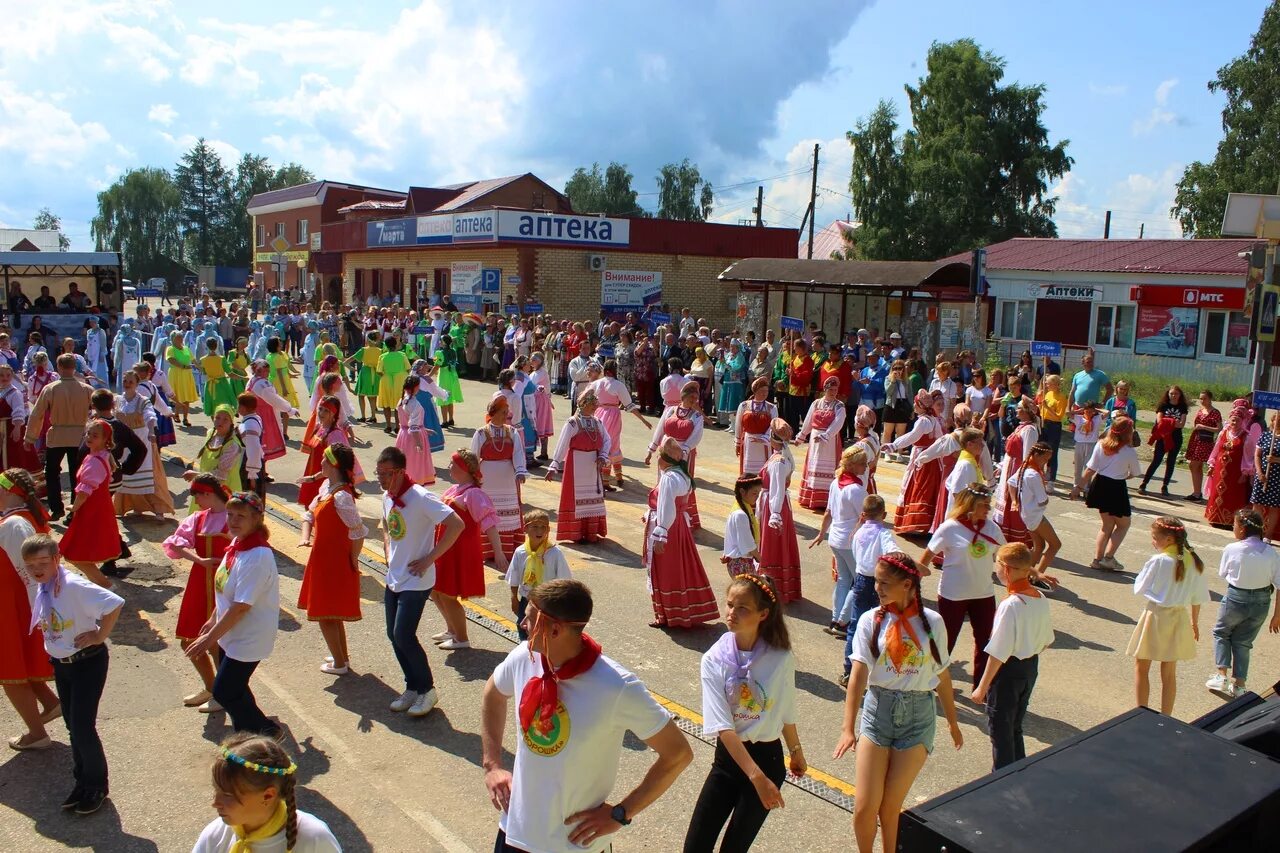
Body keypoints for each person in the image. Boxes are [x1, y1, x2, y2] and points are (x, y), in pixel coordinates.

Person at [480, 578, 694, 853]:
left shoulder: (617, 687)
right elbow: (493, 693)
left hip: (574, 845)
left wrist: (621, 813)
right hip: (516, 833)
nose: (522, 623)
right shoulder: (525, 657)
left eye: (530, 618)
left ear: (555, 629)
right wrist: (492, 765)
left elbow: (678, 754)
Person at [834, 552, 961, 853]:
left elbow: (942, 676)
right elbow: (858, 675)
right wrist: (847, 727)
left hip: (918, 716)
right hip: (878, 712)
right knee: (865, 808)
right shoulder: (870, 620)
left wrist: (954, 722)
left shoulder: (933, 622)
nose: (877, 588)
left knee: (889, 808)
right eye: (876, 581)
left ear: (907, 585)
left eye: (885, 583)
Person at [683, 573, 803, 852]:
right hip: (729, 761)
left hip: (768, 757)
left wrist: (796, 751)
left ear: (763, 614)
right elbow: (723, 726)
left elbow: (786, 708)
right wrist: (756, 778)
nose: (731, 613)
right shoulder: (714, 659)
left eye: (742, 608)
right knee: (695, 846)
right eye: (729, 605)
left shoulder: (780, 658)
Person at [24, 533, 124, 815]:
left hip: (86, 663)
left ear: (57, 559)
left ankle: (96, 786)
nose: (36, 569)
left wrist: (99, 634)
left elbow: (114, 603)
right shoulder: (45, 586)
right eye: (30, 565)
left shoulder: (74, 586)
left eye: (43, 562)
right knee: (72, 724)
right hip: (63, 664)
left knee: (82, 726)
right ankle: (82, 780)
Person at [185, 492, 284, 738]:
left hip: (249, 635)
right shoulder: (237, 546)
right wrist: (211, 620)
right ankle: (248, 734)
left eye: (241, 516)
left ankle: (267, 730)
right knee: (236, 688)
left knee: (224, 690)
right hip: (232, 632)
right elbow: (225, 591)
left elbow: (241, 606)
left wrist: (207, 641)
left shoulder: (257, 555)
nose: (233, 520)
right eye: (230, 514)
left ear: (256, 519)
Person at [375, 446, 463, 717]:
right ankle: (411, 686)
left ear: (401, 472)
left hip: (417, 578)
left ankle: (427, 690)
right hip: (395, 576)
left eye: (386, 474)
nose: (381, 479)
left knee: (404, 634)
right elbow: (386, 524)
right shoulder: (387, 497)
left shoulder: (422, 497)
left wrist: (429, 558)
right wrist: (389, 549)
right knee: (393, 635)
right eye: (378, 473)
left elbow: (456, 524)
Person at [970, 543, 1054, 770]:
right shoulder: (1040, 598)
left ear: (1005, 569)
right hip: (1029, 668)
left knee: (1000, 732)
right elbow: (1047, 641)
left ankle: (1003, 780)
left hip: (1007, 673)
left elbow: (998, 651)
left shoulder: (1010, 605)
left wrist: (982, 686)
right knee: (1015, 726)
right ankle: (1021, 772)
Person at [194, 733, 342, 852]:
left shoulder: (314, 839)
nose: (215, 803)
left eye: (227, 795)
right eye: (216, 790)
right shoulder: (215, 835)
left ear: (268, 796)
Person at [920, 483, 1005, 688]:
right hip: (953, 594)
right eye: (984, 505)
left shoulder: (991, 527)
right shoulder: (950, 528)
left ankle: (982, 688)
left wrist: (1033, 572)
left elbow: (1007, 553)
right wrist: (912, 584)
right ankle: (931, 683)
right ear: (971, 505)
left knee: (987, 642)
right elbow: (926, 557)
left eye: (989, 505)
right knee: (945, 642)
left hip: (983, 593)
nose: (989, 509)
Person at [295, 444, 366, 678]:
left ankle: (339, 663)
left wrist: (353, 559)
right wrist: (305, 538)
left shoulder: (342, 496)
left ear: (334, 464)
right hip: (323, 556)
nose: (320, 464)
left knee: (325, 614)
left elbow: (358, 530)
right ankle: (340, 656)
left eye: (324, 460)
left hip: (333, 560)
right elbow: (309, 515)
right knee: (332, 613)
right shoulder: (328, 488)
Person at [162, 475, 232, 711]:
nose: (196, 501)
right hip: (199, 581)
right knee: (189, 639)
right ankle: (212, 687)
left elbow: (248, 546)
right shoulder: (198, 518)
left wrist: (222, 561)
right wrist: (199, 560)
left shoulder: (234, 516)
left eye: (198, 495)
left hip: (226, 583)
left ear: (209, 493)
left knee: (218, 642)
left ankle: (223, 694)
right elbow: (174, 544)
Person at [0, 470, 58, 752]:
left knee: (10, 674)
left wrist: (40, 613)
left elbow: (30, 572)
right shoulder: (13, 520)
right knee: (19, 668)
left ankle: (37, 734)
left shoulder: (14, 525)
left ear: (9, 491)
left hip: (14, 609)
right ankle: (50, 704)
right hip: (12, 606)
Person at [1128, 516, 1208, 716]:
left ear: (1169, 539)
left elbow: (1139, 588)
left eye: (1155, 537)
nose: (1153, 541)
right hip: (1179, 617)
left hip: (1156, 615)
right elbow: (1198, 596)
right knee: (1169, 672)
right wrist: (1194, 622)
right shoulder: (1194, 561)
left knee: (1142, 665)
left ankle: (1141, 712)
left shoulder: (1159, 560)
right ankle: (1166, 716)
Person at [432, 450, 504, 651]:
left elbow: (489, 524)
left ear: (464, 469)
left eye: (453, 464)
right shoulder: (454, 490)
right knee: (436, 590)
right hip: (445, 547)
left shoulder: (474, 494)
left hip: (459, 549)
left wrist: (498, 552)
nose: (449, 467)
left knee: (447, 593)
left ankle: (461, 638)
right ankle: (452, 629)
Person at [1205, 509, 1280, 700]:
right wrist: (1277, 614)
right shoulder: (1271, 552)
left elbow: (1223, 572)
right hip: (1262, 602)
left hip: (1236, 596)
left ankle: (1221, 676)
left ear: (1242, 528)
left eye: (1235, 525)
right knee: (1243, 641)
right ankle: (1239, 685)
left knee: (1222, 632)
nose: (1233, 527)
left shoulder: (1232, 548)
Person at [644, 438, 719, 628]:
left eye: (658, 458)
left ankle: (669, 614)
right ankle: (683, 611)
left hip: (669, 529)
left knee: (666, 570)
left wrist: (661, 535)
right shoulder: (682, 475)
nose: (656, 462)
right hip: (679, 527)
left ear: (665, 460)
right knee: (680, 567)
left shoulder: (669, 478)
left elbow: (666, 507)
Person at [24, 353, 93, 521]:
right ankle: (74, 510)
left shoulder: (51, 388)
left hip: (57, 436)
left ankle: (57, 508)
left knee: (52, 473)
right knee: (77, 474)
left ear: (59, 367)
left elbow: (37, 414)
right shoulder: (86, 389)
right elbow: (97, 412)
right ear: (74, 367)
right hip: (79, 436)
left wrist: (30, 437)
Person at [810, 445, 870, 637]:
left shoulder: (836, 483)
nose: (865, 467)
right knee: (858, 581)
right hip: (849, 542)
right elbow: (867, 516)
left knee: (844, 580)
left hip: (835, 539)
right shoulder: (855, 489)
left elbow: (828, 512)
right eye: (863, 464)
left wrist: (821, 533)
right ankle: (843, 622)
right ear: (853, 465)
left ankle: (836, 618)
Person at [1072, 416, 1142, 571]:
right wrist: (1124, 474)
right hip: (1116, 487)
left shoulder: (1101, 444)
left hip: (1100, 484)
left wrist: (1078, 487)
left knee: (1107, 525)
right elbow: (1135, 473)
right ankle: (1108, 558)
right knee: (1123, 524)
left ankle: (1097, 560)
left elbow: (1090, 469)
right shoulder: (1129, 451)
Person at [58, 420, 121, 589]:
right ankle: (101, 586)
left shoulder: (94, 461)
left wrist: (74, 507)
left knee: (76, 553)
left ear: (105, 439)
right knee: (78, 553)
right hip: (97, 508)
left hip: (92, 511)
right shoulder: (99, 455)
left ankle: (105, 586)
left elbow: (84, 492)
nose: (89, 438)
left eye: (95, 435)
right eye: (88, 434)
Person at [545, 389, 611, 542]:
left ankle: (590, 532)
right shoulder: (573, 423)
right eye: (592, 405)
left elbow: (607, 440)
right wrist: (554, 466)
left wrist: (602, 455)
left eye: (596, 405)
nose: (595, 408)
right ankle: (575, 533)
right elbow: (562, 444)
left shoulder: (597, 422)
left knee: (592, 497)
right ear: (584, 405)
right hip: (576, 464)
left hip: (593, 465)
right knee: (576, 497)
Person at [471, 396, 528, 561]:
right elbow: (474, 456)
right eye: (503, 413)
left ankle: (508, 549)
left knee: (508, 513)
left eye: (507, 413)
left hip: (508, 478)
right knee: (488, 511)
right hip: (487, 478)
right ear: (493, 413)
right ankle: (488, 550)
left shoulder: (512, 432)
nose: (506, 416)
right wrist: (473, 477)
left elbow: (518, 452)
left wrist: (520, 471)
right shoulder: (481, 433)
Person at [114, 369, 176, 518]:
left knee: (150, 475)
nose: (127, 384)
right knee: (126, 474)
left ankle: (159, 509)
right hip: (124, 444)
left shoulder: (142, 400)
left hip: (142, 442)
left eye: (131, 382)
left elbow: (150, 415)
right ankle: (134, 505)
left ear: (136, 384)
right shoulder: (118, 400)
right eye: (125, 381)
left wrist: (151, 431)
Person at [646, 380, 705, 530]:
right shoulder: (670, 410)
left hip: (684, 453)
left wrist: (683, 451)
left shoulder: (697, 416)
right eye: (691, 398)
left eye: (695, 398)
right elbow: (660, 429)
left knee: (681, 481)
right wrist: (651, 450)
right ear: (683, 397)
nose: (693, 401)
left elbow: (696, 436)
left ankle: (682, 515)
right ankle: (660, 512)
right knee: (664, 480)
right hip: (665, 449)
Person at [505, 509, 571, 642]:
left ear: (548, 529)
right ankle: (526, 651)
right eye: (535, 527)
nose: (539, 531)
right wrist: (514, 598)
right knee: (523, 626)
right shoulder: (521, 552)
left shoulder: (554, 553)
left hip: (547, 601)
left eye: (543, 527)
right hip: (527, 598)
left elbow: (565, 580)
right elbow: (514, 576)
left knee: (545, 629)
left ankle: (543, 655)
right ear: (526, 529)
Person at [886, 390, 945, 534]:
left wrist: (893, 445)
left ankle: (915, 523)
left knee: (918, 487)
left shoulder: (924, 421)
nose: (913, 405)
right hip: (931, 459)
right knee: (927, 489)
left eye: (916, 403)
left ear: (921, 405)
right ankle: (924, 524)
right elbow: (940, 439)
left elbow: (912, 437)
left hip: (922, 457)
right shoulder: (933, 419)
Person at [591, 359, 651, 489]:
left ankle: (612, 477)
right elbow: (629, 406)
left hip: (597, 414)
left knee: (601, 444)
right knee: (613, 445)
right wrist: (643, 420)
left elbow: (584, 398)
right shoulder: (618, 385)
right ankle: (609, 480)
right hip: (612, 415)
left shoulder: (596, 384)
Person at [992, 396, 1040, 547]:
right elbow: (1009, 453)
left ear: (1026, 411)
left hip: (1016, 471)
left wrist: (1017, 477)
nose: (1016, 410)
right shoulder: (1021, 427)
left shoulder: (1030, 430)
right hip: (1009, 467)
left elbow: (1027, 457)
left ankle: (1015, 539)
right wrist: (1001, 467)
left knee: (1014, 503)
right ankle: (1004, 538)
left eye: (1019, 408)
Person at [795, 376, 847, 512]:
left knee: (828, 466)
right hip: (815, 437)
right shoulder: (816, 403)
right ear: (824, 389)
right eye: (830, 389)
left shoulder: (839, 406)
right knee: (814, 464)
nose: (833, 392)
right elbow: (808, 420)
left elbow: (839, 423)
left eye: (835, 389)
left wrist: (826, 435)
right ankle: (811, 497)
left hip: (830, 440)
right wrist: (801, 436)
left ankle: (826, 499)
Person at [1015, 442, 1061, 586]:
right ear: (1036, 455)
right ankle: (1036, 577)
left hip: (1026, 513)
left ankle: (1025, 574)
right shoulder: (1034, 475)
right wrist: (1045, 498)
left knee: (1039, 545)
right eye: (1045, 459)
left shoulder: (1024, 468)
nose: (1045, 462)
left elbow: (1011, 483)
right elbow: (1042, 500)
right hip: (1035, 515)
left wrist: (1016, 502)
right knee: (1055, 545)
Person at [1205, 400, 1255, 527]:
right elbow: (1216, 450)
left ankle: (1229, 521)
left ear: (1242, 421)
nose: (1234, 423)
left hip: (1235, 471)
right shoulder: (1223, 433)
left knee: (1232, 494)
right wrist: (1211, 464)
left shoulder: (1246, 436)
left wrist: (1245, 472)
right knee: (1217, 492)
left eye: (1237, 420)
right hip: (1220, 470)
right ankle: (1215, 517)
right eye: (1233, 420)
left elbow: (1248, 457)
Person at [1139, 385, 1189, 497]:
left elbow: (1181, 424)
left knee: (1171, 462)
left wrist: (1169, 422)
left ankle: (1165, 486)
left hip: (1176, 438)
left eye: (1176, 394)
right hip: (1163, 436)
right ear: (1168, 394)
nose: (1174, 396)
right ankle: (1144, 483)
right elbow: (1160, 421)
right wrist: (1172, 422)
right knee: (1156, 460)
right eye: (1171, 393)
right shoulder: (1163, 405)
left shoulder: (1182, 407)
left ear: (1180, 395)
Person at [394, 375, 436, 485]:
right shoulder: (413, 403)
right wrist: (419, 443)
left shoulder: (402, 400)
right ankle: (414, 485)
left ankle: (404, 484)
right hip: (413, 438)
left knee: (406, 463)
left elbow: (408, 422)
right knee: (415, 464)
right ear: (416, 386)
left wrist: (424, 429)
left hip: (403, 434)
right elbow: (413, 427)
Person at [0, 363, 39, 474]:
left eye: (8, 375)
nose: (5, 378)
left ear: (12, 376)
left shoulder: (14, 393)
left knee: (14, 457)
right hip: (2, 431)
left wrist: (17, 428)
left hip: (11, 429)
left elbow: (19, 412)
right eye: (2, 375)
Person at [735, 378, 777, 476]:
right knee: (748, 469)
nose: (764, 393)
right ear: (755, 391)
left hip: (764, 444)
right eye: (762, 391)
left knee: (764, 470)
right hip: (748, 442)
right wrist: (737, 443)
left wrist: (764, 438)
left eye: (766, 391)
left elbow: (774, 425)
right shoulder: (744, 406)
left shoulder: (771, 407)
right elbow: (738, 425)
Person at [1185, 390, 1222, 504]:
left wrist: (1204, 427)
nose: (1202, 401)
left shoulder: (1215, 412)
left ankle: (1198, 492)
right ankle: (1197, 492)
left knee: (1194, 464)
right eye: (1200, 398)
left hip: (1206, 441)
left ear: (1210, 399)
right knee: (1195, 466)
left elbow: (1219, 428)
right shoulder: (1201, 411)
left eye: (1204, 398)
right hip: (1196, 439)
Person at [1038, 374, 1068, 483]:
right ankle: (1041, 473)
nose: (1046, 384)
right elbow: (1042, 409)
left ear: (1055, 384)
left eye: (1048, 383)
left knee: (1052, 452)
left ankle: (1051, 477)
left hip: (1054, 426)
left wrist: (1047, 407)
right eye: (1046, 383)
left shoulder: (1061, 397)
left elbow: (1059, 416)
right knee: (1041, 450)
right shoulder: (1048, 394)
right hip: (1044, 423)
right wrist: (1041, 403)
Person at [346, 331, 382, 423]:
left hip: (365, 372)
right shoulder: (380, 351)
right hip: (376, 373)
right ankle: (373, 416)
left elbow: (349, 360)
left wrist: (350, 367)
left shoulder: (364, 350)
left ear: (368, 340)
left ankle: (363, 416)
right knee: (372, 396)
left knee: (361, 395)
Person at [166, 330, 199, 427]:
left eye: (181, 337)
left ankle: (185, 418)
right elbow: (171, 360)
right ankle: (176, 414)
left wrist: (200, 368)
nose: (180, 339)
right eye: (178, 337)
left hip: (186, 375)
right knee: (178, 396)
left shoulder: (186, 348)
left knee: (186, 397)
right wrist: (183, 366)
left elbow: (193, 360)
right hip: (176, 374)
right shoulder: (170, 348)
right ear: (173, 339)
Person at [1069, 400, 1103, 491]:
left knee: (1088, 466)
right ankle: (1076, 486)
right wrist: (1078, 411)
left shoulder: (1096, 418)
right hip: (1079, 443)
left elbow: (1107, 412)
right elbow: (1067, 414)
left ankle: (1086, 487)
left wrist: (1097, 410)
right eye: (1086, 411)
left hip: (1091, 444)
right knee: (1078, 466)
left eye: (1090, 411)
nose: (1088, 413)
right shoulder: (1079, 418)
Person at [200, 337, 237, 417]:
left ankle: (215, 424)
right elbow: (230, 373)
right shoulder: (221, 359)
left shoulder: (203, 360)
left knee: (212, 404)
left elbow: (204, 372)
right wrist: (243, 378)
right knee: (225, 403)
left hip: (210, 383)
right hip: (222, 384)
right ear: (216, 346)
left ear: (206, 346)